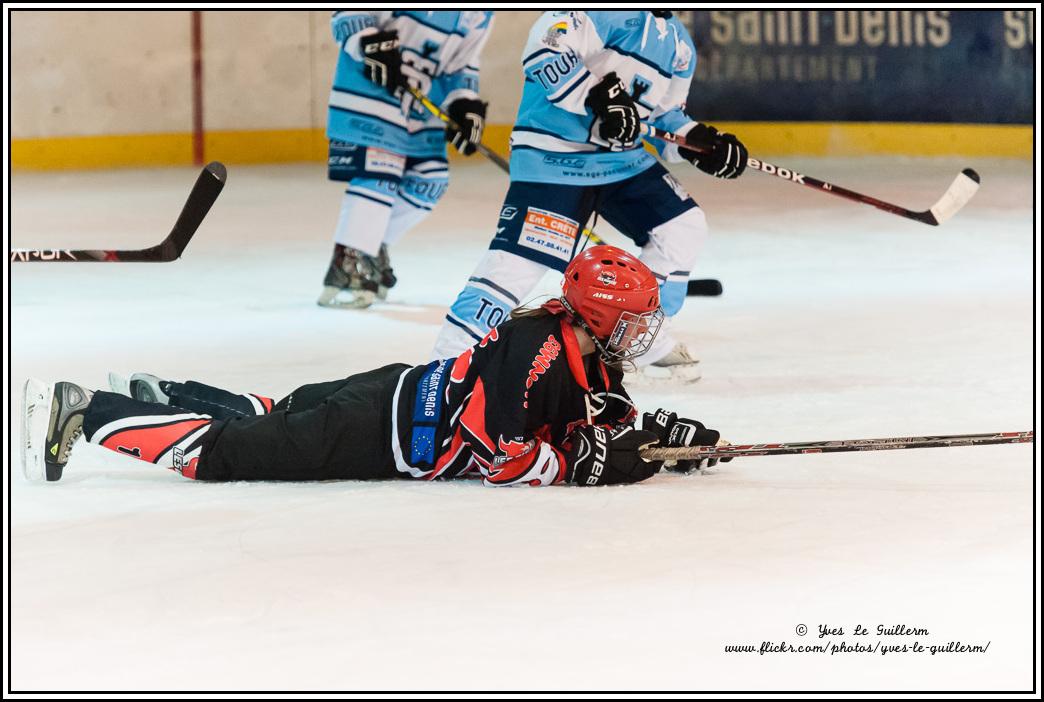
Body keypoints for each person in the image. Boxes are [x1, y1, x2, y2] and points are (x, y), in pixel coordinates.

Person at [22, 246, 729, 487]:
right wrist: (586, 464)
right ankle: (87, 411)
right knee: (228, 455)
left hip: (389, 395)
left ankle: (168, 394)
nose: (643, 337)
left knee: (280, 408)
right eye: (634, 323)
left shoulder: (581, 358)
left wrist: (661, 439)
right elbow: (501, 454)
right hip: (378, 430)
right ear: (600, 316)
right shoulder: (534, 350)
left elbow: (598, 416)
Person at [430, 10, 748, 382]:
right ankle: (444, 365)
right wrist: (596, 98)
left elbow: (663, 120)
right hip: (555, 155)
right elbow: (544, 49)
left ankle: (640, 343)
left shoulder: (680, 46)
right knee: (516, 266)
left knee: (683, 226)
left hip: (621, 162)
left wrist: (700, 143)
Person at [319, 10, 494, 308]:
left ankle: (369, 247)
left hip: (422, 104)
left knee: (431, 181)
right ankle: (348, 260)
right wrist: (368, 42)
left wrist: (465, 102)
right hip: (370, 89)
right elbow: (347, 14)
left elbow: (465, 62)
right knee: (379, 174)